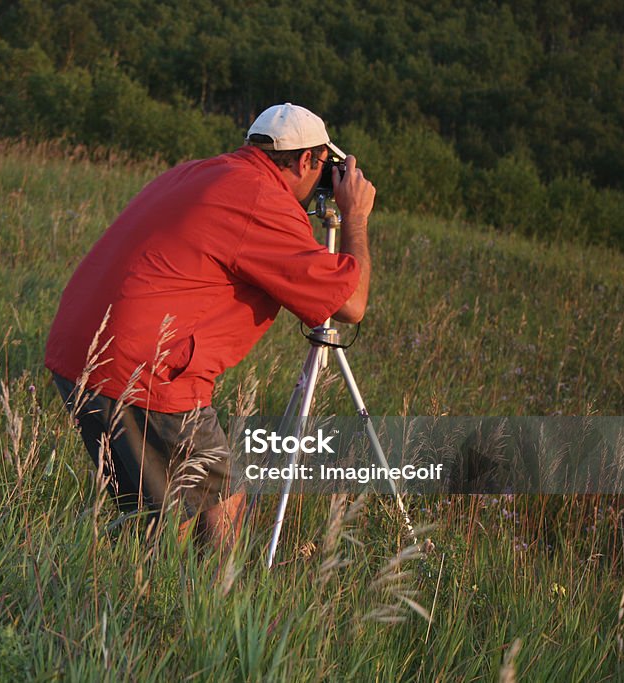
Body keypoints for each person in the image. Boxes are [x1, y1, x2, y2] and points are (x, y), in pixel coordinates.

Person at [45, 103, 376, 552]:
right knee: (210, 510)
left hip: (79, 352)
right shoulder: (262, 199)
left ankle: (156, 597)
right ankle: (208, 605)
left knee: (172, 513)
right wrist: (354, 216)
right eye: (321, 169)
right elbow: (350, 305)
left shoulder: (199, 172)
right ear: (305, 160)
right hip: (144, 370)